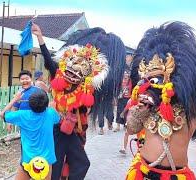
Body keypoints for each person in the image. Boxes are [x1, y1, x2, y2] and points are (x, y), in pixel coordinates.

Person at [32, 23, 126, 179]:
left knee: (79, 162)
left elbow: (100, 88)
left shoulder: (87, 87)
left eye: (79, 69)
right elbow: (49, 60)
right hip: (57, 127)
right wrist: (40, 38)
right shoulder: (59, 77)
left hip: (77, 129)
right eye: (73, 66)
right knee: (56, 161)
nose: (74, 71)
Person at [125, 22, 196, 179]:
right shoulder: (149, 103)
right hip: (144, 171)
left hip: (176, 174)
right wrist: (139, 112)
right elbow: (131, 129)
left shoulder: (190, 105)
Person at [0, 90, 60, 180]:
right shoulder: (51, 113)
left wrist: (15, 99)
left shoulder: (22, 115)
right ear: (46, 104)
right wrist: (53, 108)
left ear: (30, 104)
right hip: (46, 161)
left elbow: (2, 114)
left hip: (28, 160)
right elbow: (58, 119)